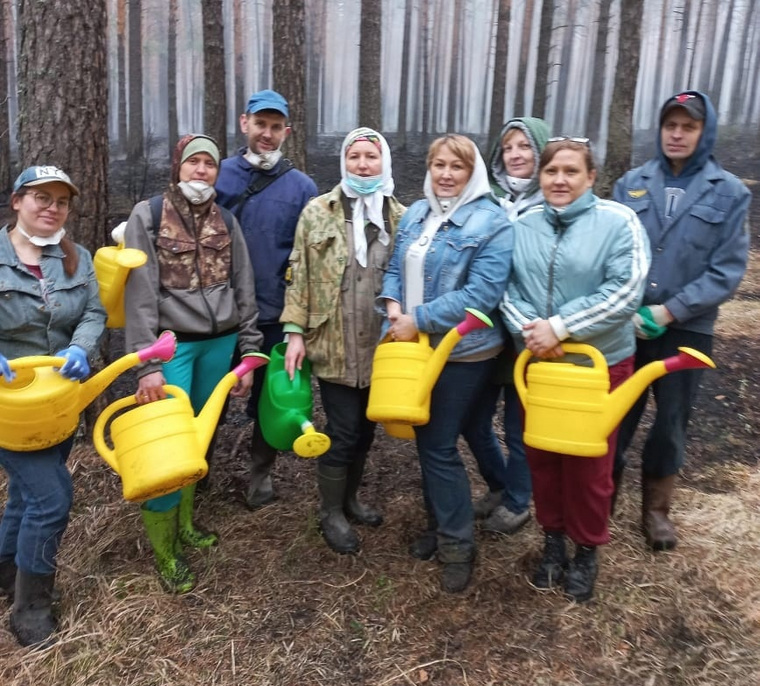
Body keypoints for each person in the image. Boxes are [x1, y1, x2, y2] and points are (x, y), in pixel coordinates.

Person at [501, 137, 649, 602]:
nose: (559, 180)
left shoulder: (618, 221)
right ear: (540, 177)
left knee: (589, 464)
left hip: (599, 366)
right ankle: (552, 542)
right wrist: (532, 330)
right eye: (551, 172)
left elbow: (627, 290)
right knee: (543, 459)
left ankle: (586, 550)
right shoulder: (522, 224)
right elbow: (503, 284)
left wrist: (561, 327)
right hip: (540, 365)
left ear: (590, 178)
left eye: (570, 171)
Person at [123, 134, 263, 592]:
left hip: (219, 348)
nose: (201, 171)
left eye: (209, 164)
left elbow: (244, 287)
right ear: (178, 168)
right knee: (168, 447)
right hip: (172, 347)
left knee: (197, 443)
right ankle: (165, 554)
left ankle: (185, 525)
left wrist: (248, 351)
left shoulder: (226, 220)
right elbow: (139, 293)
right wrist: (147, 365)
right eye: (193, 162)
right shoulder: (147, 215)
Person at [612, 91, 751, 551]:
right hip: (628, 326)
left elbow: (727, 270)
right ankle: (602, 497)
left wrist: (671, 310)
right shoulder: (631, 183)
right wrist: (626, 308)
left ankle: (656, 511)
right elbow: (614, 252)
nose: (677, 134)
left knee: (672, 419)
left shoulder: (729, 192)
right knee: (615, 415)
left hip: (688, 330)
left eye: (687, 126)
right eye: (670, 125)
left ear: (703, 131)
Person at [380, 134, 512, 593]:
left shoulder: (492, 221)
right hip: (415, 344)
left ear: (473, 171)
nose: (446, 174)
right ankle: (447, 523)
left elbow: (481, 296)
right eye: (438, 165)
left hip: (463, 351)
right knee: (454, 432)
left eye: (457, 166)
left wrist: (419, 318)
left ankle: (456, 543)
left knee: (436, 443)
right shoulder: (417, 213)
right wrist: (394, 306)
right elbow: (396, 267)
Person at [280, 127, 404, 555]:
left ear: (383, 162)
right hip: (333, 341)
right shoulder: (318, 212)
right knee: (345, 431)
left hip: (380, 346)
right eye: (355, 157)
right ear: (344, 162)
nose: (363, 165)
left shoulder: (399, 218)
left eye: (371, 157)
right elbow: (298, 276)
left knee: (366, 431)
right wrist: (294, 333)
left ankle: (351, 499)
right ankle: (330, 510)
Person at [0, 166, 106, 646]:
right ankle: (31, 605)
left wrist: (82, 346)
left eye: (61, 201)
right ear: (18, 201)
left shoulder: (76, 257)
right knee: (51, 498)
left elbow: (93, 311)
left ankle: (6, 570)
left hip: (59, 403)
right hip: (10, 408)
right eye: (41, 197)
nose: (51, 208)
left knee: (26, 494)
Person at [215, 89, 317, 509]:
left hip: (274, 314)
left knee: (270, 402)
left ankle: (260, 478)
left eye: (276, 127)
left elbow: (308, 258)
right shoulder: (218, 176)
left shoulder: (302, 188)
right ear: (245, 124)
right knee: (210, 396)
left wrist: (298, 319)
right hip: (217, 316)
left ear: (286, 132)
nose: (267, 134)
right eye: (261, 124)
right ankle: (196, 471)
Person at [464, 117, 550, 535]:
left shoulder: (553, 203)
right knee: (473, 418)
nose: (516, 155)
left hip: (531, 333)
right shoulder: (488, 201)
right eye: (509, 147)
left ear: (541, 150)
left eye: (525, 146)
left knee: (519, 425)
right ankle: (500, 484)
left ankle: (518, 502)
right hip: (485, 329)